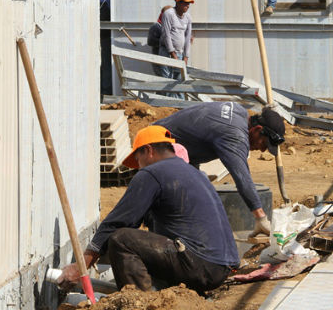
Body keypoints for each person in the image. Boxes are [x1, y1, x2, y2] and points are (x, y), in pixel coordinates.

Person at [58, 126, 238, 294]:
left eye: (137, 159)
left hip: (198, 265)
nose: (139, 166)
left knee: (122, 239)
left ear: (149, 151)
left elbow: (117, 223)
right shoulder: (194, 173)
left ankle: (138, 302)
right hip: (220, 267)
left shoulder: (153, 173)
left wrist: (81, 267)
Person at [154, 102, 286, 237]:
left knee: (202, 187)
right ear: (257, 129)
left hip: (165, 143)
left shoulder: (239, 112)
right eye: (264, 143)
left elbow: (195, 136)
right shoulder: (234, 134)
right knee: (189, 197)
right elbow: (242, 177)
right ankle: (166, 240)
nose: (263, 149)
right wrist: (261, 217)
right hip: (156, 149)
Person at [158, 0, 193, 80]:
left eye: (188, 3)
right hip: (167, 52)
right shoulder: (169, 14)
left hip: (180, 54)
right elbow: (166, 34)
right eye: (185, 3)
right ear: (178, 2)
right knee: (167, 81)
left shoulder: (188, 17)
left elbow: (188, 37)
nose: (187, 5)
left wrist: (186, 57)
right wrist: (173, 54)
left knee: (179, 82)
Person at [147, 5, 173, 76]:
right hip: (159, 61)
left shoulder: (172, 27)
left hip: (170, 61)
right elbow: (150, 41)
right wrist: (167, 42)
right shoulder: (156, 26)